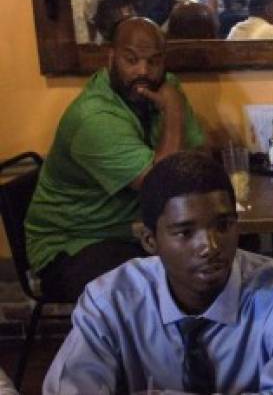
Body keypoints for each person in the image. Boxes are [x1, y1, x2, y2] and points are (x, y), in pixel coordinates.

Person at [43, 151, 273, 394]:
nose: (210, 246)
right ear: (150, 241)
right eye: (185, 232)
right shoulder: (110, 302)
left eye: (223, 225)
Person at [25, 17, 206, 301]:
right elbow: (163, 183)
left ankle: (211, 343)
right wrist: (173, 111)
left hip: (137, 231)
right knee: (151, 286)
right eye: (131, 60)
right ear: (110, 58)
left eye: (153, 61)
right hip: (75, 244)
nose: (143, 72)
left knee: (222, 250)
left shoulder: (166, 86)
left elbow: (199, 160)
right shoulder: (94, 118)